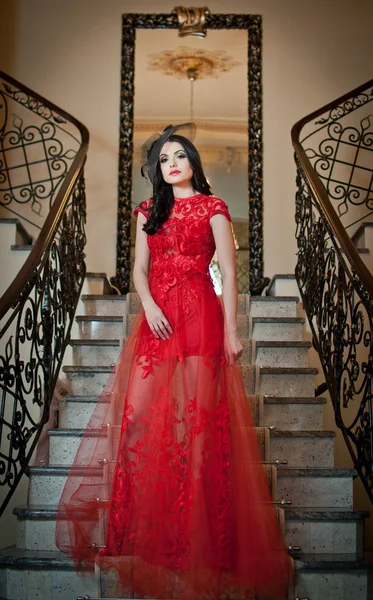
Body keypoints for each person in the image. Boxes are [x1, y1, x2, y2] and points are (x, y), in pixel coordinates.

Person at [56, 123, 294, 599]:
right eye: (164, 159)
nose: (172, 164)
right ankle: (141, 529)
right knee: (140, 415)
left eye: (180, 155)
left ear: (192, 163)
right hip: (159, 319)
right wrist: (148, 303)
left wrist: (230, 332)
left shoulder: (214, 209)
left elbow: (228, 272)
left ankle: (201, 536)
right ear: (158, 170)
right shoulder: (148, 211)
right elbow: (138, 271)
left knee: (199, 423)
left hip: (202, 316)